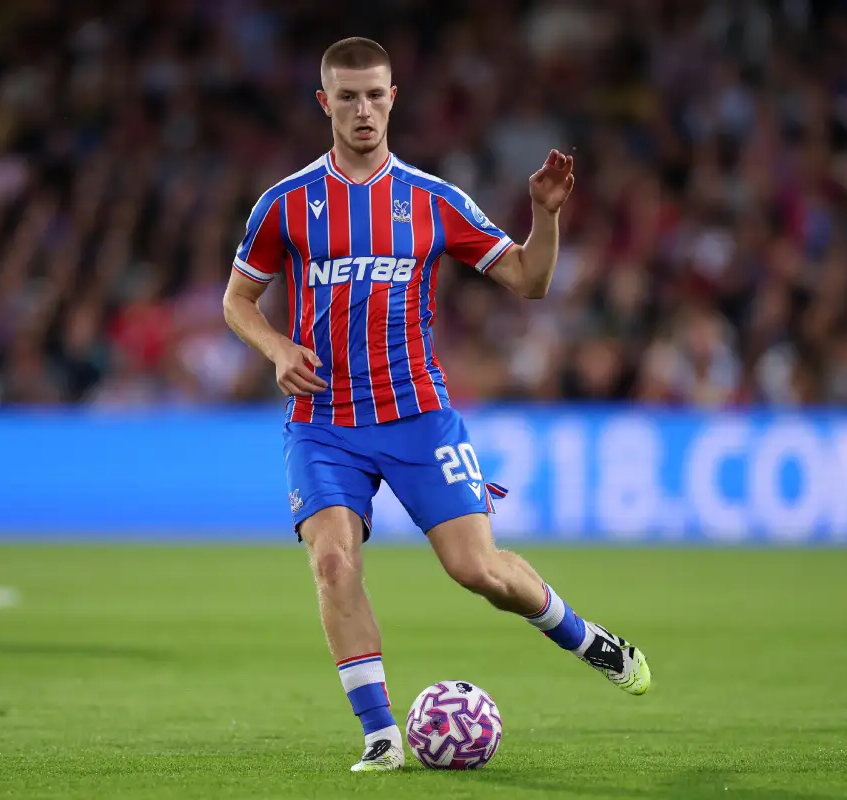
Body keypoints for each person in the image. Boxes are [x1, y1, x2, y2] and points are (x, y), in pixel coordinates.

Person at [222, 36, 651, 772]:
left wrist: (544, 216)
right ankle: (381, 736)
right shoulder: (286, 204)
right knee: (333, 562)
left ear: (394, 99)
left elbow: (529, 281)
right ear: (325, 103)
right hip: (324, 422)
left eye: (375, 95)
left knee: (478, 571)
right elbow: (237, 301)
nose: (363, 109)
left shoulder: (433, 200)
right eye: (348, 97)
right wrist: (278, 349)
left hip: (418, 416)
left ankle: (588, 639)